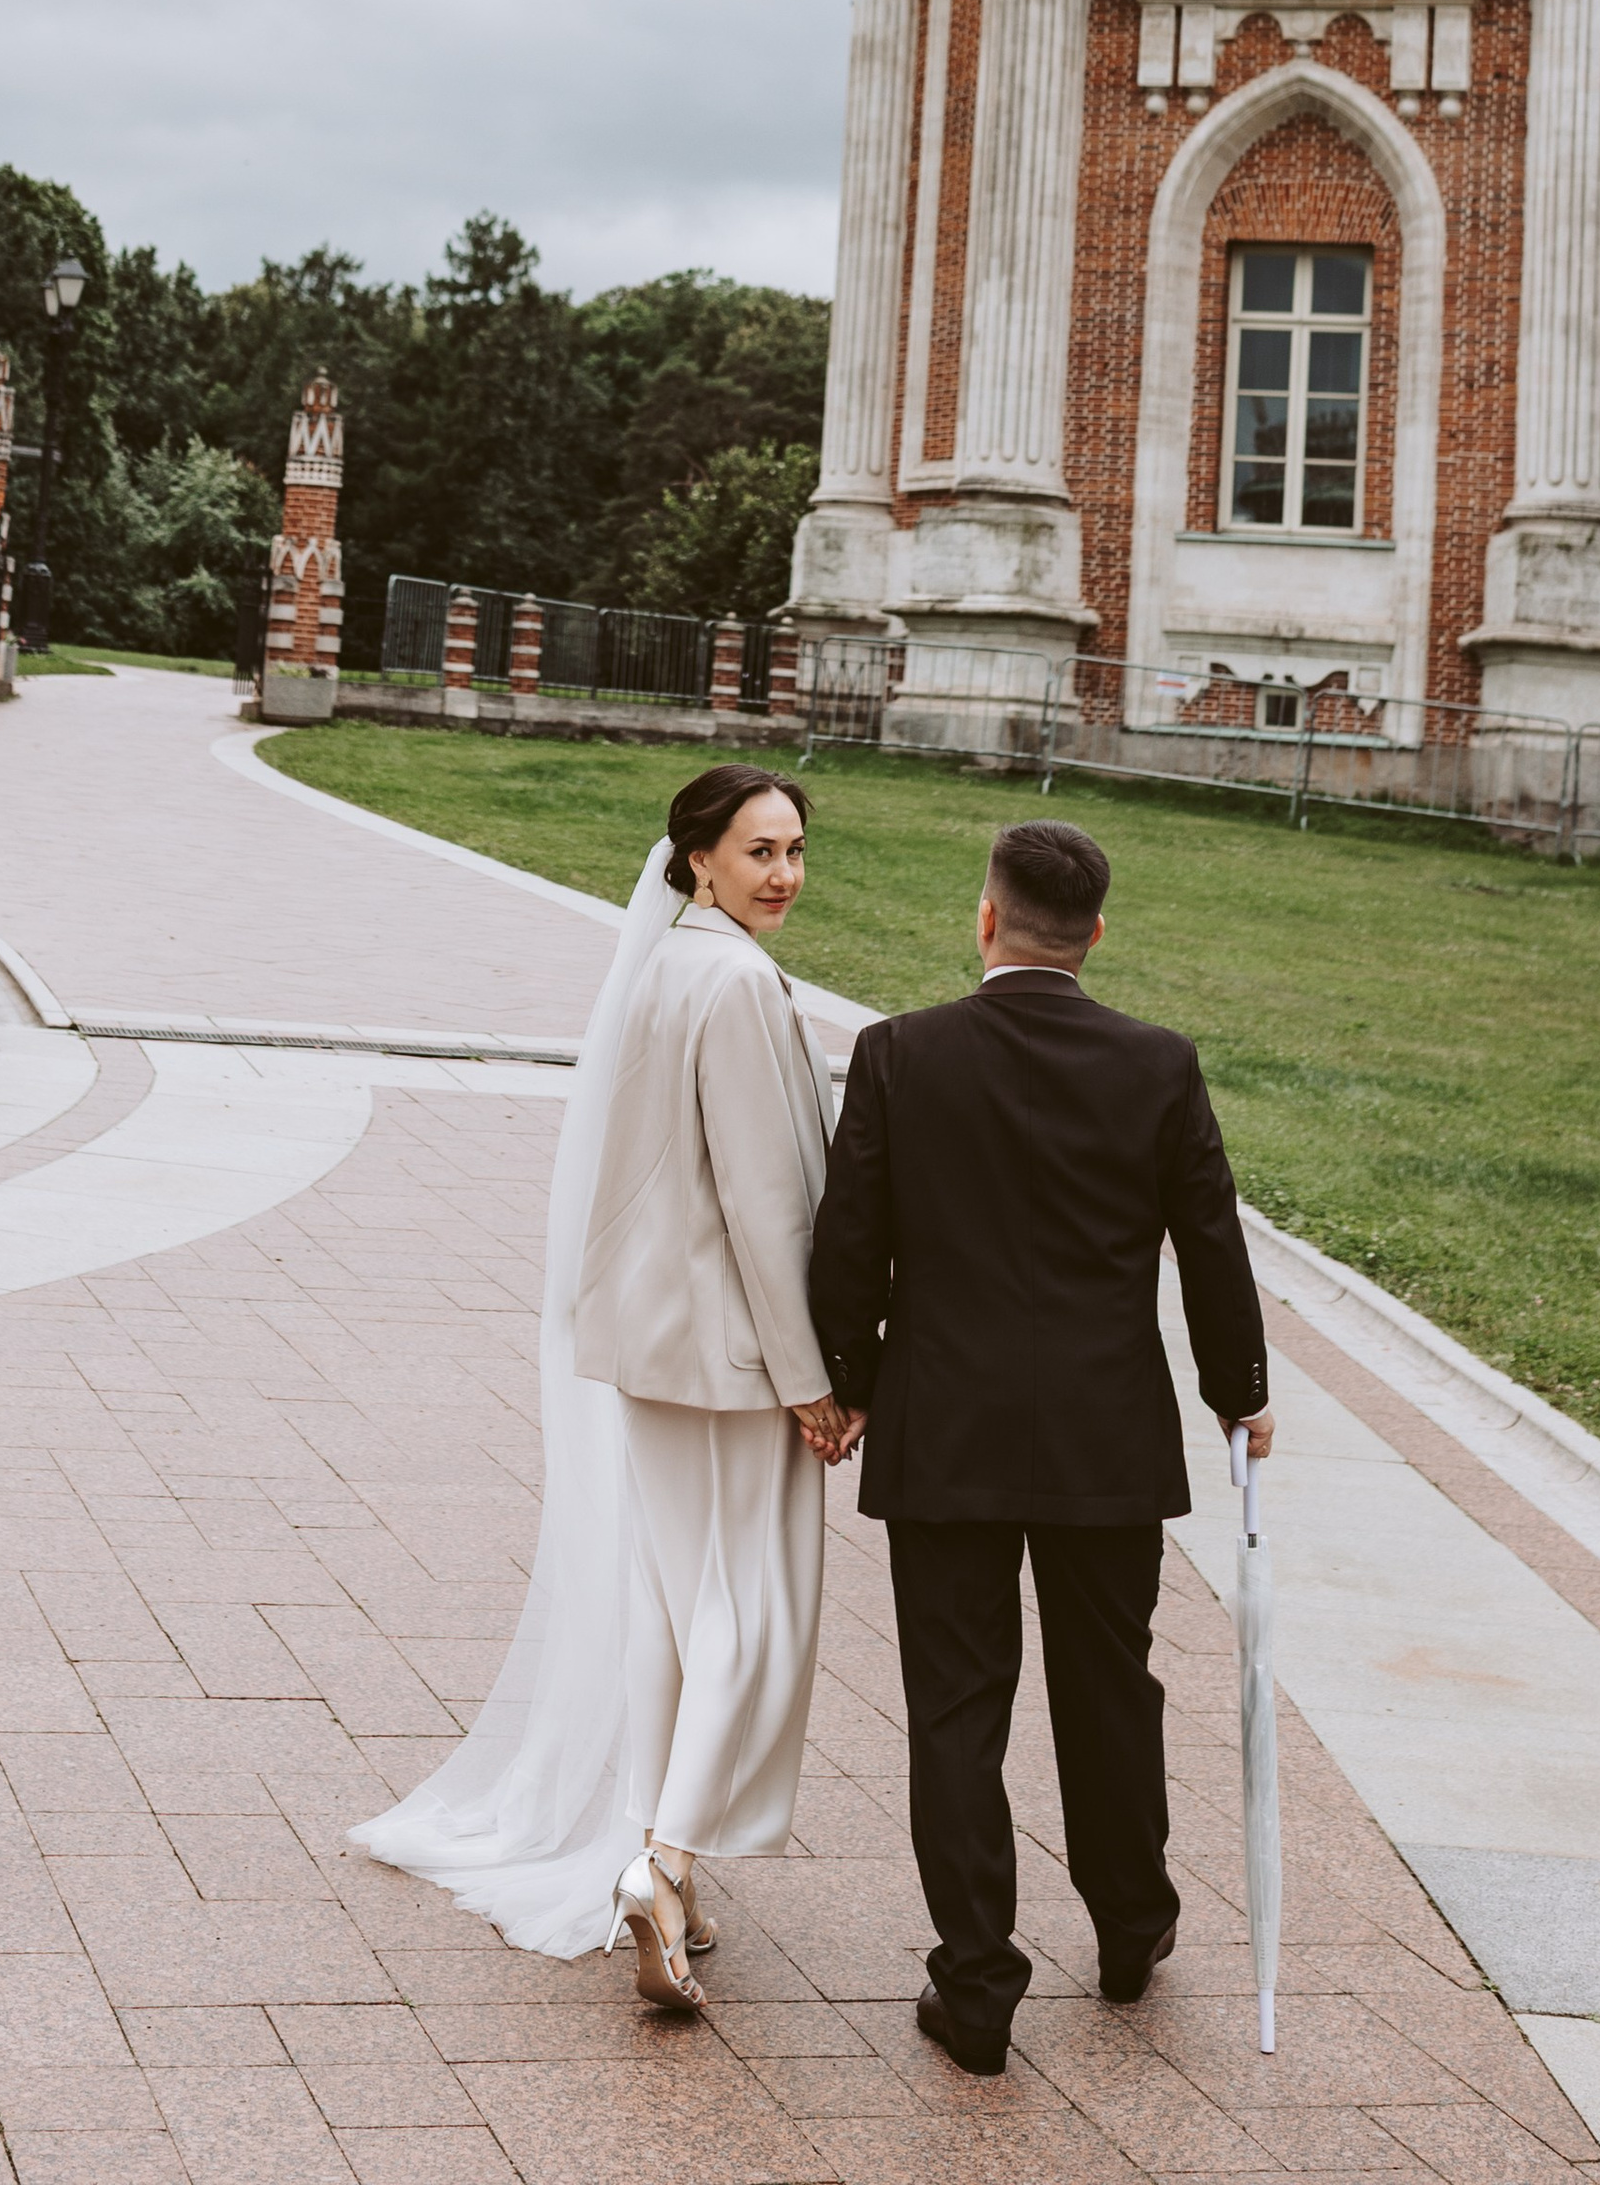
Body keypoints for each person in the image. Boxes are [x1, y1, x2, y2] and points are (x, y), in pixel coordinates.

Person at [348, 764, 852, 2004]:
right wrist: (812, 1378)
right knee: (753, 1614)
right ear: (696, 861)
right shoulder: (734, 982)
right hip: (736, 1356)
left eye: (792, 850)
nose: (781, 873)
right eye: (756, 853)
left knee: (676, 1612)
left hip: (647, 1347)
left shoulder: (666, 964)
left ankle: (652, 1844)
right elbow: (765, 1197)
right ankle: (664, 1864)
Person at [807, 816, 1272, 2076]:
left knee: (957, 1706)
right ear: (1096, 936)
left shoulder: (900, 1053)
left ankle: (975, 1985)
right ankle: (1132, 1925)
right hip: (1104, 1434)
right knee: (1107, 1685)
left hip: (943, 1422)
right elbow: (1210, 1243)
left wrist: (846, 1383)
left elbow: (848, 1241)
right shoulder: (1158, 1063)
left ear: (984, 917)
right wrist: (1238, 1394)